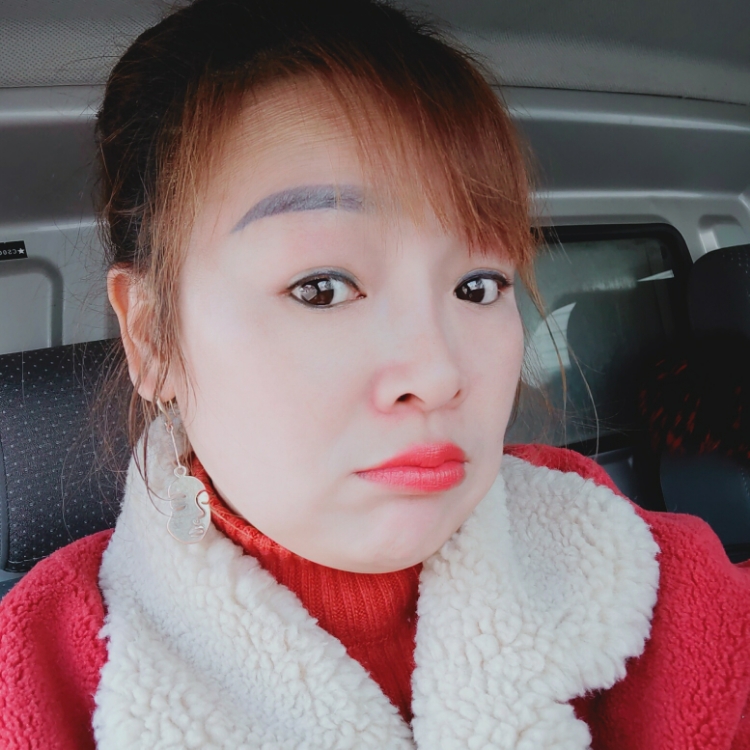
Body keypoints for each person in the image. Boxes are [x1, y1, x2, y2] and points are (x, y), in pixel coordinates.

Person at [1, 1, 749, 748]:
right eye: (322, 288)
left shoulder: (656, 578)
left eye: (478, 286)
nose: (439, 373)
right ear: (152, 338)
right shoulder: (37, 672)